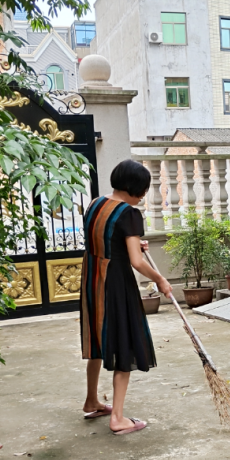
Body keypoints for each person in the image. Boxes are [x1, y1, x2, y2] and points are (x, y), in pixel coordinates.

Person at [80, 159, 173, 435]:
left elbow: (104, 239)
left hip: (93, 279)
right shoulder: (129, 213)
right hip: (116, 284)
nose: (143, 195)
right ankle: (118, 418)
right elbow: (136, 261)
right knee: (125, 342)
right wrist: (160, 278)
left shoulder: (95, 203)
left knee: (97, 339)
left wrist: (132, 240)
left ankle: (92, 401)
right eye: (143, 190)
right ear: (134, 188)